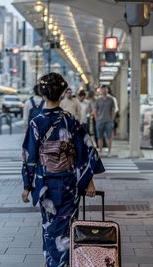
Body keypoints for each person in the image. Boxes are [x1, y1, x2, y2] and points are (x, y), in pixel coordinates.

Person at [21, 73, 104, 267]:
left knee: (49, 227)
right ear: (61, 95)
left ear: (43, 94)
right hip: (68, 183)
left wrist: (27, 185)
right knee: (66, 227)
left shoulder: (36, 122)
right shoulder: (70, 121)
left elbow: (30, 157)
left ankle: (53, 262)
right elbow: (85, 151)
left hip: (45, 183)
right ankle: (62, 263)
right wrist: (89, 180)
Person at [95, 85, 116, 156]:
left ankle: (109, 151)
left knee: (109, 136)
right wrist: (96, 118)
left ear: (107, 90)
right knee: (99, 137)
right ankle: (100, 151)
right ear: (101, 90)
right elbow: (95, 110)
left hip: (108, 121)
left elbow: (113, 109)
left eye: (105, 89)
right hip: (100, 121)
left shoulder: (111, 99)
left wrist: (112, 118)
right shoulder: (98, 100)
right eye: (103, 89)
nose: (104, 90)